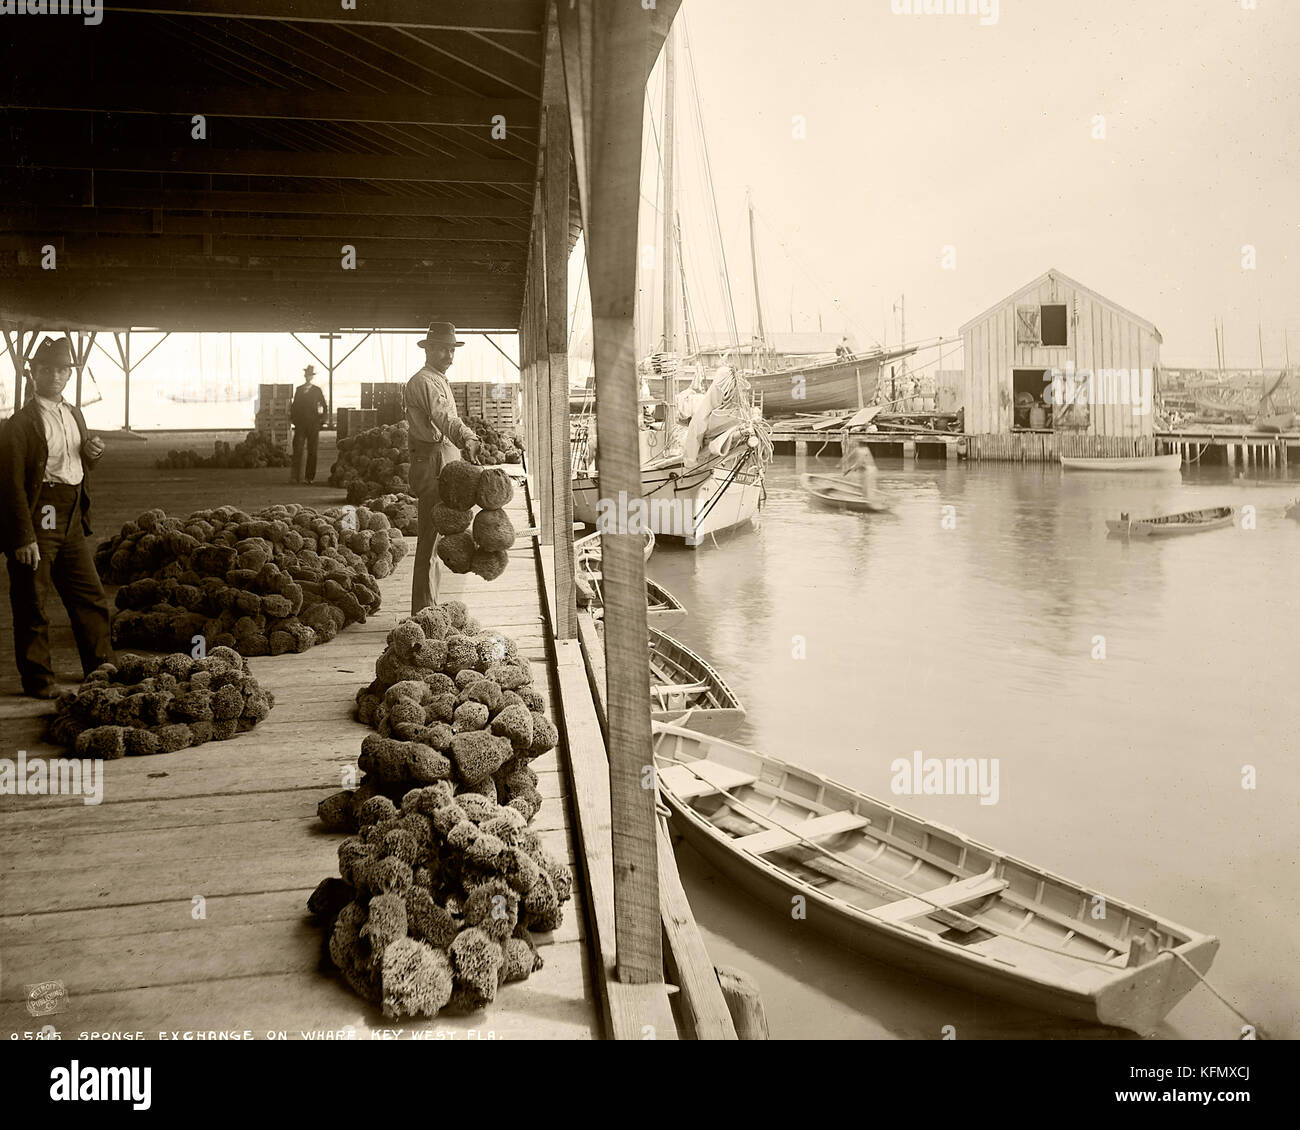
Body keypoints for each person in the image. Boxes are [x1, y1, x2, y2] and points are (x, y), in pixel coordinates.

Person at [0, 337, 114, 698]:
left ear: (69, 374)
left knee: (89, 594)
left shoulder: (74, 413)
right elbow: (10, 484)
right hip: (41, 512)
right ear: (32, 373)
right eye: (46, 368)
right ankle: (39, 679)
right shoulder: (19, 424)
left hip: (70, 513)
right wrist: (23, 537)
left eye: (61, 369)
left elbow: (73, 462)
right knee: (33, 597)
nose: (54, 375)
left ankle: (100, 667)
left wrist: (92, 453)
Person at [405, 322, 483, 612]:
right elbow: (443, 418)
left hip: (444, 459)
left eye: (452, 349)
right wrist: (468, 437)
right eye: (443, 349)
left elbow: (447, 418)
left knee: (437, 537)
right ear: (428, 350)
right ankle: (424, 610)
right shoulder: (424, 381)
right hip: (432, 463)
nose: (449, 355)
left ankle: (430, 604)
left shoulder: (438, 378)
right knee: (430, 536)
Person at [290, 364, 328, 484]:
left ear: (312, 377)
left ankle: (309, 477)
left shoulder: (317, 390)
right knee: (298, 449)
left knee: (312, 450)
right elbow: (294, 406)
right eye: (307, 375)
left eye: (310, 375)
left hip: (313, 424)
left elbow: (324, 406)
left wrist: (322, 420)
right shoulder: (299, 390)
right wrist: (293, 419)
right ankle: (296, 476)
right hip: (300, 424)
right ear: (305, 376)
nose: (308, 377)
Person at [840, 433, 879, 501]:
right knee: (868, 487)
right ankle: (868, 499)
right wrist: (843, 464)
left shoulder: (860, 450)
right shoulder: (865, 449)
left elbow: (859, 463)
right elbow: (850, 457)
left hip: (867, 471)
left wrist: (848, 470)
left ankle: (866, 500)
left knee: (865, 487)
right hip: (872, 470)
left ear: (859, 443)